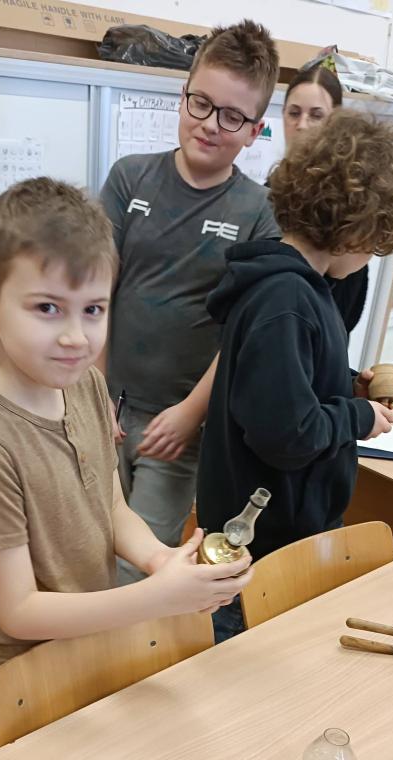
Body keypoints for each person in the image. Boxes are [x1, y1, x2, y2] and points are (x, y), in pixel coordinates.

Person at [0, 178, 253, 677]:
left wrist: (159, 561)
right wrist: (156, 598)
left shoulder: (87, 384)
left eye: (93, 310)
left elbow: (111, 507)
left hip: (90, 644)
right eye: (47, 308)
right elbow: (18, 611)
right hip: (22, 676)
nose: (75, 337)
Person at [196, 110, 393, 642]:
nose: (372, 255)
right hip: (264, 546)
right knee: (246, 655)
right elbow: (287, 435)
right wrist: (357, 417)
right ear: (356, 229)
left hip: (286, 532)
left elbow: (286, 383)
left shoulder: (300, 288)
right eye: (376, 242)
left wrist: (347, 384)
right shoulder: (285, 298)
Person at [99, 20, 280, 584]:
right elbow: (95, 294)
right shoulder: (129, 178)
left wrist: (190, 413)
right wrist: (93, 392)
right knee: (88, 544)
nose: (209, 124)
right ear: (183, 95)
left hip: (179, 425)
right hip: (106, 406)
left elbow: (243, 335)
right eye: (200, 103)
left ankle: (126, 645)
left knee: (139, 567)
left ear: (254, 131)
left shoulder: (260, 213)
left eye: (232, 116)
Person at [282, 63, 369, 337]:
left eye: (316, 115)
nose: (302, 125)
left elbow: (347, 313)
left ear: (335, 122)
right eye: (294, 113)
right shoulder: (266, 196)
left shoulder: (348, 207)